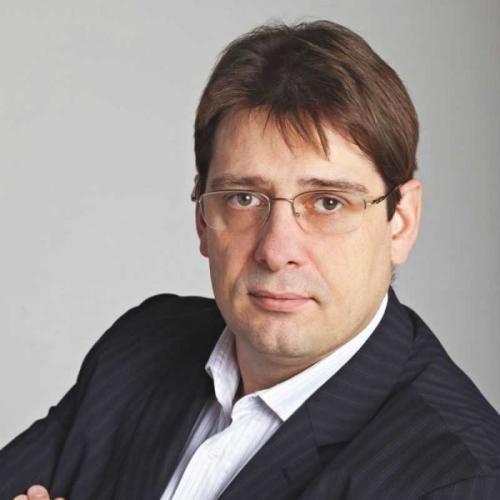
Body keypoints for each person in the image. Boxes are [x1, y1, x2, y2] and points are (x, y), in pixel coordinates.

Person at [2, 19, 500, 500]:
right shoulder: (142, 347)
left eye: (328, 202)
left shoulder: (459, 479)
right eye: (243, 198)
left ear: (401, 221)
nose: (276, 251)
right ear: (202, 216)